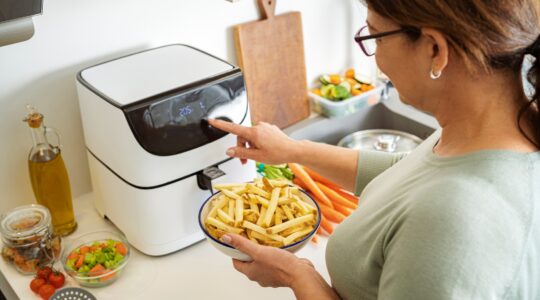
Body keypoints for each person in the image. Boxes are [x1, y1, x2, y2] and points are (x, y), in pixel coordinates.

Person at [209, 0, 540, 298]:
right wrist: (293, 150)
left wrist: (297, 274)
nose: (376, 58)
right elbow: (408, 172)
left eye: (376, 37)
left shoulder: (453, 224)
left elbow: (435, 202)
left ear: (435, 50)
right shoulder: (502, 121)